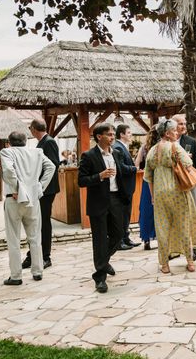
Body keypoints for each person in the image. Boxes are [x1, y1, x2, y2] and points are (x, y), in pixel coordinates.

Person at [144, 119, 196, 273]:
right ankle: (190, 262)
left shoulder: (152, 150)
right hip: (177, 191)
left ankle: (164, 264)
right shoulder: (174, 146)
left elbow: (148, 177)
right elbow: (188, 163)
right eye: (175, 130)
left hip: (159, 193)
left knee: (162, 228)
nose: (177, 133)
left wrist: (152, 196)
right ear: (167, 133)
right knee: (184, 225)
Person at [78, 123, 128, 293]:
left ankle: (103, 262)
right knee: (99, 239)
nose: (112, 137)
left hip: (115, 199)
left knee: (119, 233)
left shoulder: (118, 153)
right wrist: (99, 176)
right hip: (98, 202)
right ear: (99, 137)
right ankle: (100, 278)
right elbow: (81, 180)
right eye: (109, 134)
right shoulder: (88, 155)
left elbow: (122, 173)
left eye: (114, 134)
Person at [1, 131, 56, 285]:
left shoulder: (7, 151)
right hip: (33, 198)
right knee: (35, 237)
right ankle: (38, 271)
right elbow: (51, 167)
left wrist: (18, 189)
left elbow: (8, 171)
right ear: (26, 141)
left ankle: (16, 276)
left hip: (14, 198)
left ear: (9, 141)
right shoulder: (36, 152)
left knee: (13, 239)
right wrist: (40, 187)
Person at [22, 119, 60, 269]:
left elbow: (53, 164)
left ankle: (45, 256)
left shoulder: (48, 142)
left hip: (46, 189)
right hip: (40, 189)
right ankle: (33, 255)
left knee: (43, 222)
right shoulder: (42, 142)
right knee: (36, 222)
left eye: (30, 128)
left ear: (34, 129)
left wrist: (39, 184)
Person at [173, 114, 196, 252]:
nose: (183, 126)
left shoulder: (190, 141)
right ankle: (174, 248)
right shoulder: (165, 142)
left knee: (189, 216)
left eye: (184, 123)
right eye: (180, 123)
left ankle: (190, 249)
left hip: (188, 185)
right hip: (172, 185)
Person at [112, 123, 140, 250]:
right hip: (123, 187)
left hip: (127, 187)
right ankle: (120, 241)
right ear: (122, 134)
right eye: (128, 133)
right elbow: (120, 168)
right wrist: (134, 168)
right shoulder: (118, 147)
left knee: (126, 215)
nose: (131, 135)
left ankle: (126, 238)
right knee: (122, 215)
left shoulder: (122, 146)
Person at [135, 125, 159, 250]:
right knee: (160, 210)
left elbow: (136, 164)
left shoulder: (144, 148)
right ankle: (161, 237)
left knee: (146, 210)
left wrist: (144, 169)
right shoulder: (162, 147)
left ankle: (146, 240)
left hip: (147, 181)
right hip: (160, 180)